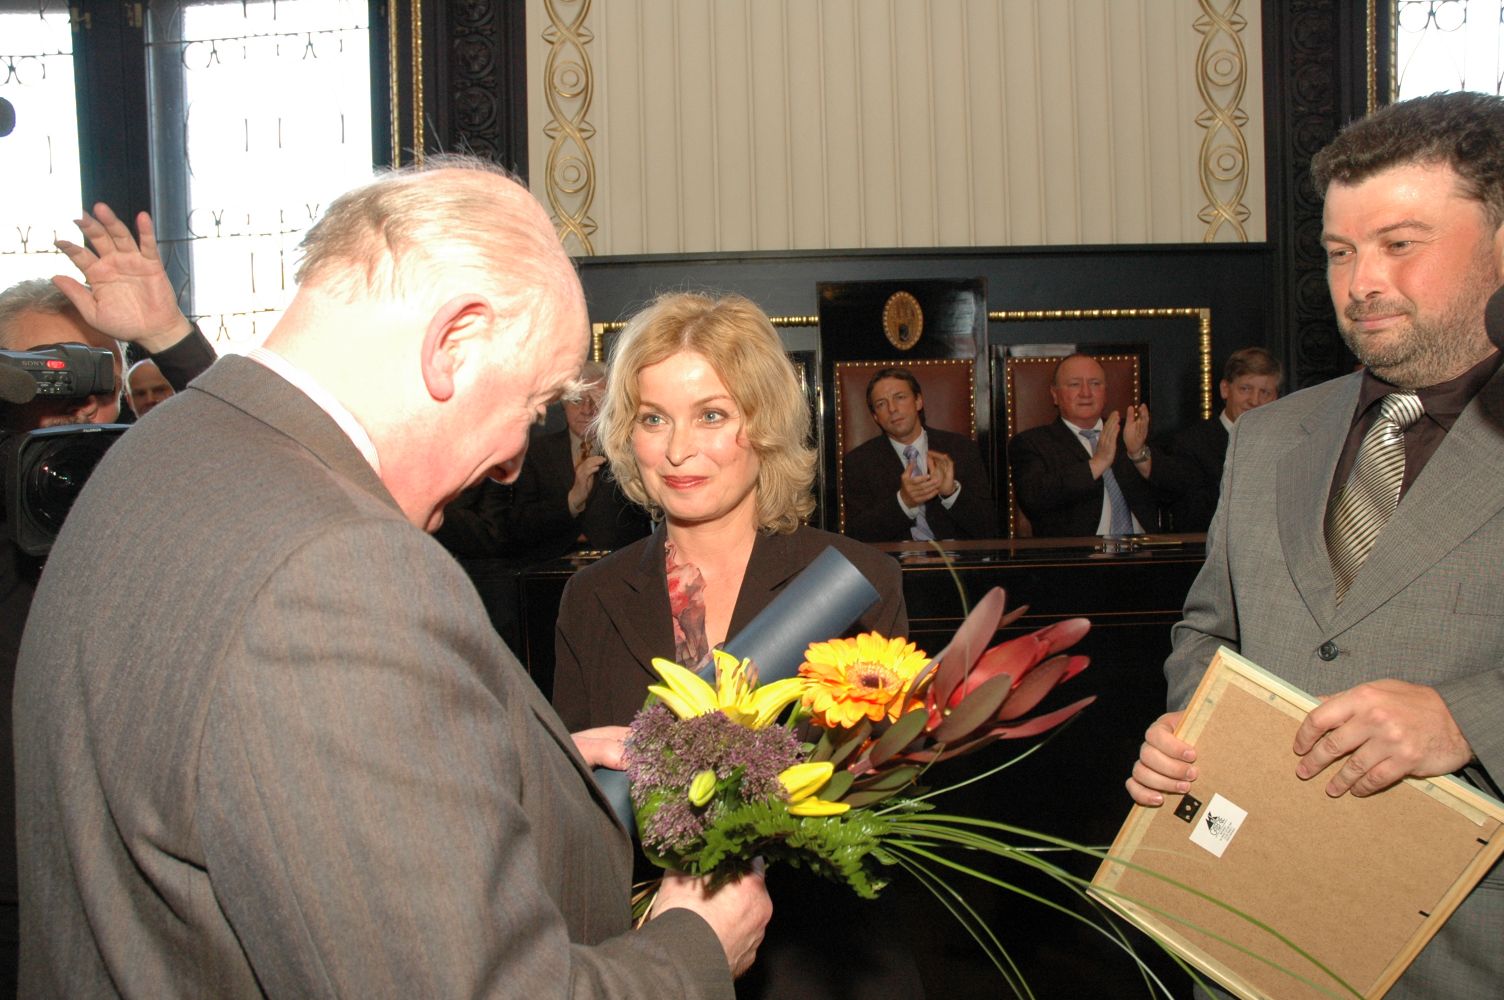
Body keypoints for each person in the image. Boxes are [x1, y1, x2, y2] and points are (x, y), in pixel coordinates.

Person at [14, 159, 769, 996]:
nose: (514, 460)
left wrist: (532, 768)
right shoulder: (339, 570)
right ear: (455, 341)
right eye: (530, 407)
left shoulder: (163, 451)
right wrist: (693, 948)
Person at [1126, 91, 1504, 998]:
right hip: (1246, 928)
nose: (1361, 281)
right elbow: (1208, 632)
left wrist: (1469, 722)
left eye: (1399, 244)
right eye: (1339, 252)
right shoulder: (1267, 438)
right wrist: (1191, 730)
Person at [550, 291, 923, 1000]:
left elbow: (886, 797)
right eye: (653, 418)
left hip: (819, 963)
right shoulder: (591, 597)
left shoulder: (854, 583)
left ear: (765, 425)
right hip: (653, 964)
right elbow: (579, 819)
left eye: (711, 415)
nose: (677, 450)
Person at [0, 204, 215, 996]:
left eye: (95, 375)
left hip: (143, 895)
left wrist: (169, 336)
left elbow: (273, 457)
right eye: (39, 375)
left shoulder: (167, 493)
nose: (74, 398)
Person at [506, 360, 651, 559]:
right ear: (563, 405)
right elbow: (519, 524)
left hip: (620, 563)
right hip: (551, 564)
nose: (587, 409)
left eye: (597, 400)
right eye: (577, 400)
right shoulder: (536, 452)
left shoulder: (631, 449)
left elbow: (649, 511)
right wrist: (571, 501)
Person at [1007, 353, 1160, 537]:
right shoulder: (1031, 443)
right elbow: (1034, 499)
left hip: (1144, 549)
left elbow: (1173, 492)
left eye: (1095, 383)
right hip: (1079, 552)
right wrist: (1097, 463)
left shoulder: (1132, 432)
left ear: (1105, 392)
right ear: (1055, 394)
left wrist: (1138, 454)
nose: (1086, 393)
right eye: (1075, 384)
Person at [840, 366, 998, 542]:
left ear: (918, 402)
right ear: (875, 416)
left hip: (955, 557)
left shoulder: (960, 448)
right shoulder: (859, 462)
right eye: (881, 404)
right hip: (895, 559)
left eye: (900, 397)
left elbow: (989, 528)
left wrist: (951, 493)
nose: (892, 409)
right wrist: (903, 502)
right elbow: (856, 537)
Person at [1152, 347, 1283, 532]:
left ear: (1277, 398)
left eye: (1265, 393)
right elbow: (1194, 517)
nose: (1255, 401)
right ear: (1225, 389)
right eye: (1246, 389)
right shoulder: (1192, 444)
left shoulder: (1287, 446)